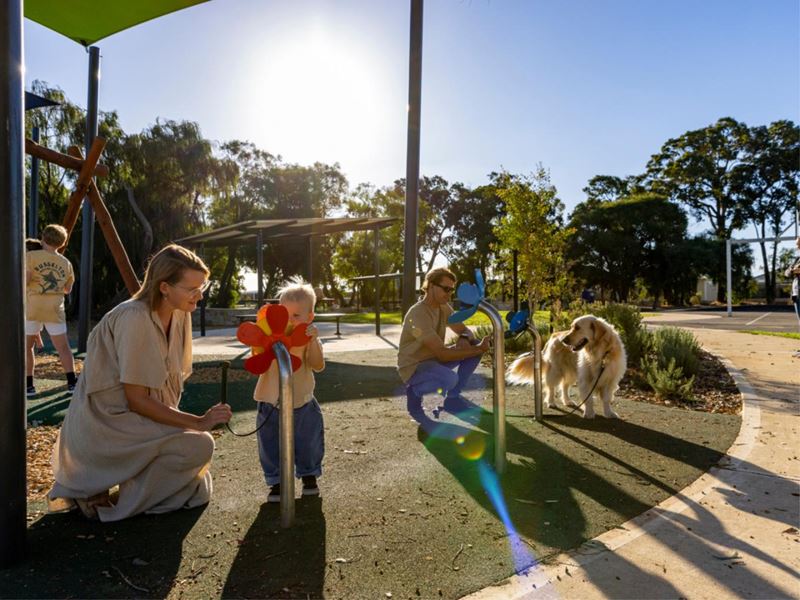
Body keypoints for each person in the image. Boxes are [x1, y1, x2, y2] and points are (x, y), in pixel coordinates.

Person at [48, 244, 232, 521]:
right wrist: (197, 422)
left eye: (202, 286)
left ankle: (127, 489)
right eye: (192, 288)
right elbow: (137, 399)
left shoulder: (180, 313)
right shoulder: (134, 317)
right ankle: (110, 505)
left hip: (137, 422)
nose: (200, 294)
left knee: (196, 481)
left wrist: (188, 426)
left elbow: (167, 385)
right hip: (108, 424)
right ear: (164, 287)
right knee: (200, 445)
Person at [253, 277, 325, 503]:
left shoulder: (306, 338)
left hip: (301, 402)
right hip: (270, 401)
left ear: (309, 317)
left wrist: (313, 341)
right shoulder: (268, 336)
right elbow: (257, 361)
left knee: (308, 441)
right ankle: (276, 482)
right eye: (285, 314)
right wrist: (260, 341)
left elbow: (317, 365)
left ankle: (309, 475)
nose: (291, 321)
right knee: (270, 443)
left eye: (297, 316)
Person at [397, 267, 491, 420]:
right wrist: (477, 349)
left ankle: (452, 400)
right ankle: (414, 391)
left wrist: (464, 338)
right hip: (414, 366)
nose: (449, 294)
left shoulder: (443, 307)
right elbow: (442, 353)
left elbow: (466, 330)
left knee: (473, 346)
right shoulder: (418, 314)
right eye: (446, 289)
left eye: (451, 290)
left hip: (434, 359)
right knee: (450, 379)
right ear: (431, 286)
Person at [25, 224, 77, 396]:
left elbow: (25, 281)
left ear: (43, 238)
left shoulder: (30, 256)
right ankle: (71, 383)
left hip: (32, 307)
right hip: (55, 310)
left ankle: (29, 386)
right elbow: (67, 289)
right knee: (63, 347)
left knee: (27, 348)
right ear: (61, 244)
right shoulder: (66, 263)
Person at [785, 237, 800, 355]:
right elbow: (786, 273)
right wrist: (792, 270)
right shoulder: (797, 259)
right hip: (797, 294)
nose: (797, 247)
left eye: (798, 244)